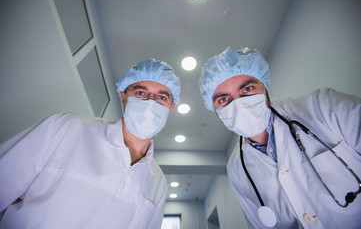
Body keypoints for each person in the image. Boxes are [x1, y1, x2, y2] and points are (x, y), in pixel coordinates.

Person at [0, 58, 181, 229]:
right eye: (141, 93)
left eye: (161, 98)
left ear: (171, 108)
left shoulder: (158, 183)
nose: (150, 103)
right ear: (123, 97)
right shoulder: (67, 128)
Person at [199, 47, 361, 228]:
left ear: (265, 88)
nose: (239, 104)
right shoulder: (237, 169)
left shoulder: (324, 107)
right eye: (223, 100)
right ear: (216, 112)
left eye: (248, 88)